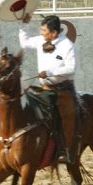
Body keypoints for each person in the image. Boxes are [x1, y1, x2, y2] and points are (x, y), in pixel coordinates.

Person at [19, 13, 76, 164]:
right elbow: (24, 42)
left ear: (54, 33)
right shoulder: (40, 40)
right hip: (44, 88)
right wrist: (24, 25)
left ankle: (64, 149)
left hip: (63, 90)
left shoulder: (67, 45)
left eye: (44, 31)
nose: (41, 33)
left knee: (62, 116)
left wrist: (50, 73)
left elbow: (71, 68)